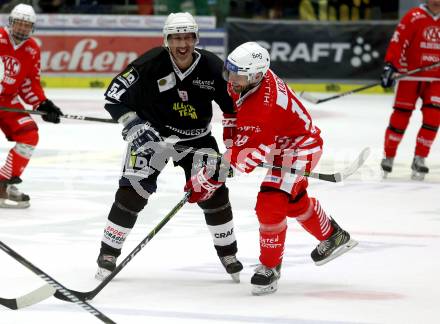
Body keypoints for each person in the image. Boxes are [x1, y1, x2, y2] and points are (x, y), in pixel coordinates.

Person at [184, 42, 358, 296]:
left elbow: (241, 163)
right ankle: (334, 236)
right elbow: (235, 115)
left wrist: (204, 183)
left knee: (271, 202)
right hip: (279, 140)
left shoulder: (263, 107)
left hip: (299, 148)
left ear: (255, 75)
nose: (231, 79)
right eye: (230, 70)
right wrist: (233, 144)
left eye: (237, 74)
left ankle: (270, 266)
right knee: (293, 200)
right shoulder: (248, 81)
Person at [95, 12, 243, 282]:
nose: (182, 44)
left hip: (197, 139)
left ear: (195, 38)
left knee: (215, 194)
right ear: (167, 40)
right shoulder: (150, 62)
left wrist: (233, 149)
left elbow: (233, 108)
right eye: (176, 38)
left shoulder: (211, 65)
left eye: (187, 37)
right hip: (152, 138)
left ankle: (228, 254)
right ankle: (108, 253)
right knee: (132, 193)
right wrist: (133, 124)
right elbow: (113, 95)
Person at [0, 3, 63, 209]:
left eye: (27, 25)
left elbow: (29, 83)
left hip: (7, 101)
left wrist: (43, 104)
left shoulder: (32, 48)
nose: (22, 28)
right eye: (19, 23)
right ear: (11, 23)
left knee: (29, 134)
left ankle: (3, 183)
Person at [380, 0, 440, 180]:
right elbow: (398, 41)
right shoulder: (414, 16)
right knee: (400, 116)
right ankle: (389, 156)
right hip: (410, 76)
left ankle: (420, 158)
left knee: (433, 118)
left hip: (436, 78)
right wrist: (391, 65)